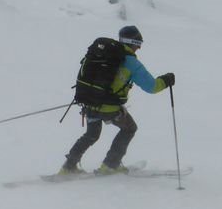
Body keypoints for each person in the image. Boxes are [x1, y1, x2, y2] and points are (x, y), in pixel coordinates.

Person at [58, 25, 175, 176]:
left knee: (91, 135)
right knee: (129, 128)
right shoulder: (132, 63)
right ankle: (110, 165)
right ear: (132, 43)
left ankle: (68, 167)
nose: (139, 48)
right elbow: (151, 87)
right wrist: (166, 80)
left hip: (90, 103)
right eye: (138, 44)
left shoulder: (101, 54)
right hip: (110, 108)